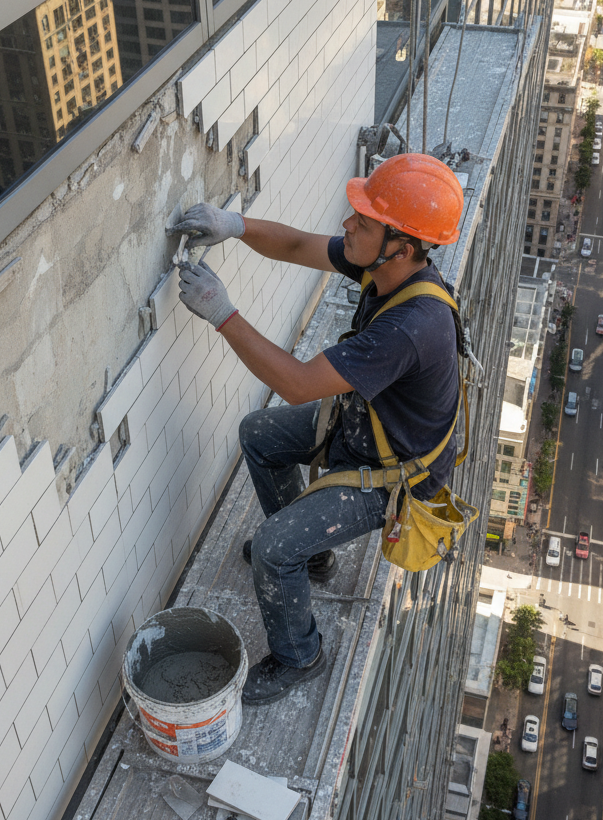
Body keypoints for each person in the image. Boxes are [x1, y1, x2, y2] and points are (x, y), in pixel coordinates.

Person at [171, 154, 464, 704]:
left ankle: (299, 655)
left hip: (394, 474)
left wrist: (222, 314)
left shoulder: (411, 325)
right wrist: (234, 225)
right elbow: (297, 246)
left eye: (364, 220)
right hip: (369, 427)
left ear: (403, 244)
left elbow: (301, 384)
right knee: (259, 434)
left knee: (272, 549)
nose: (348, 224)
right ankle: (312, 556)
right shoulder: (388, 266)